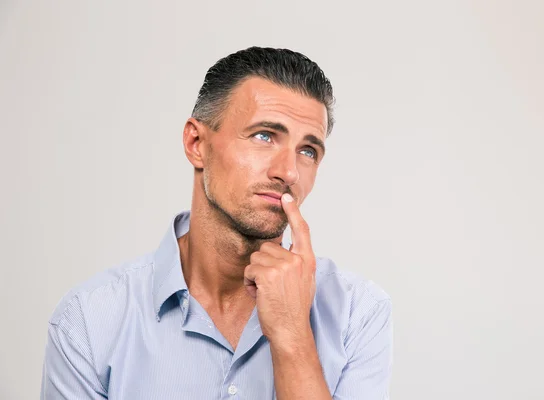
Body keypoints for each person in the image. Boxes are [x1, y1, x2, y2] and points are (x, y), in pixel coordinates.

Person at [40, 46, 393, 399]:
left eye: (308, 151)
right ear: (197, 143)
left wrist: (292, 336)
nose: (288, 172)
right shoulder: (89, 320)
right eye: (264, 136)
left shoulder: (357, 314)